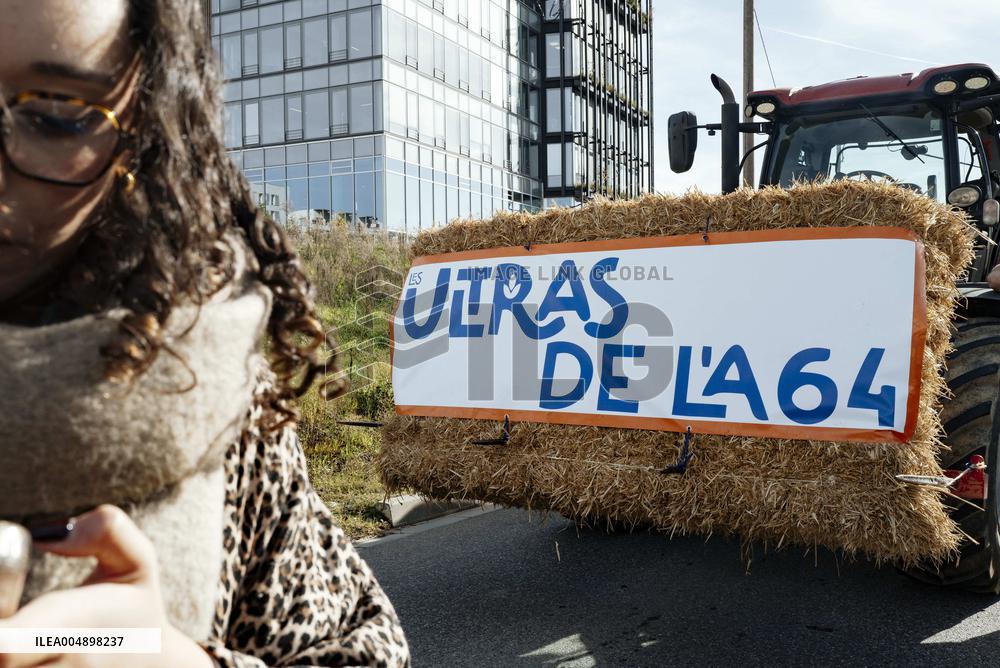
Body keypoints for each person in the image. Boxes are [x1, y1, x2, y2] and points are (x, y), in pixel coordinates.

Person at [0, 1, 409, 666]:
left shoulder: (214, 393)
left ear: (141, 135)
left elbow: (365, 651)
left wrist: (173, 659)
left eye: (54, 108)